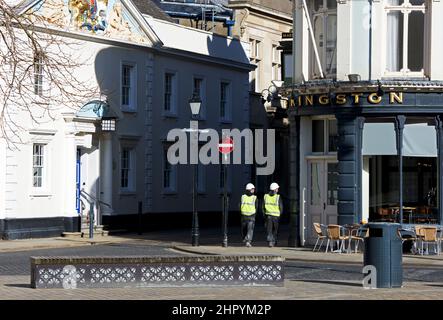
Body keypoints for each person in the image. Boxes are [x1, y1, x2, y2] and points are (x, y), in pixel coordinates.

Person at [263, 182, 283, 247]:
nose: (278, 190)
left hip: (268, 216)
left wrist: (264, 216)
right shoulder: (278, 197)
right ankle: (273, 241)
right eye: (277, 189)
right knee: (275, 230)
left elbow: (263, 207)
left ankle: (270, 242)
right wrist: (280, 215)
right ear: (274, 190)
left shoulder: (266, 196)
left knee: (269, 230)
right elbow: (281, 207)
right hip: (276, 217)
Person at [239, 183, 258, 247]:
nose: (254, 190)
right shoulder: (243, 197)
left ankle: (248, 241)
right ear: (249, 190)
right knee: (244, 229)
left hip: (251, 216)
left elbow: (256, 207)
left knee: (250, 229)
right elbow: (239, 205)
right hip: (244, 216)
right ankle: (245, 238)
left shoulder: (254, 198)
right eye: (253, 189)